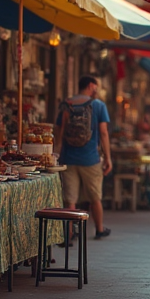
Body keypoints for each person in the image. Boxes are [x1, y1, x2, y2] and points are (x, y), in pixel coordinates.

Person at [55, 75, 113, 239]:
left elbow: (58, 128)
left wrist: (58, 151)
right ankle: (99, 229)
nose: (97, 90)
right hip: (91, 159)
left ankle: (71, 233)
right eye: (96, 87)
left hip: (68, 158)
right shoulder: (99, 105)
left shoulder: (67, 104)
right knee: (95, 197)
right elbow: (103, 132)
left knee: (70, 199)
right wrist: (108, 157)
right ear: (90, 86)